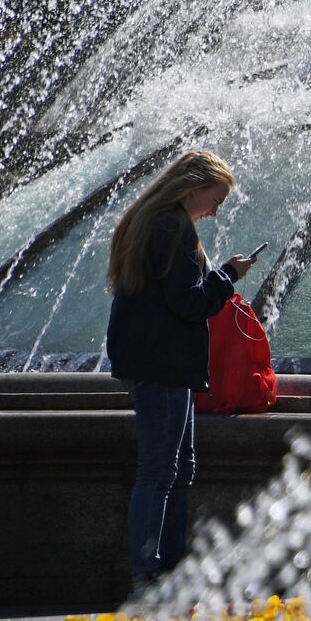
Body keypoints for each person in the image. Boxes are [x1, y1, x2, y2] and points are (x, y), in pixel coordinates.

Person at [106, 151, 255, 591]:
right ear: (194, 186)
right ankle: (149, 573)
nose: (216, 209)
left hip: (158, 362)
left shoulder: (154, 219)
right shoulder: (172, 228)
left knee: (179, 468)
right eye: (216, 198)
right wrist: (227, 275)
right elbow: (189, 302)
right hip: (163, 365)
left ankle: (169, 567)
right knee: (159, 471)